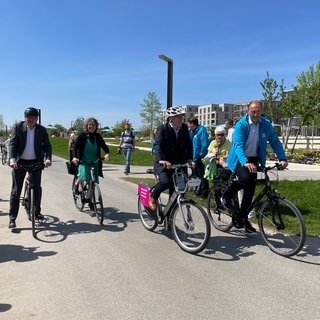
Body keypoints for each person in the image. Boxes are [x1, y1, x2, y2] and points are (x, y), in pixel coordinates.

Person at [221, 100, 288, 233]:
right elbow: (238, 145)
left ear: (261, 111)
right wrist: (245, 162)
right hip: (240, 158)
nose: (255, 114)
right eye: (253, 111)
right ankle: (226, 196)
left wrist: (282, 157)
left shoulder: (265, 124)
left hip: (253, 158)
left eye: (258, 111)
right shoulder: (242, 125)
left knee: (249, 192)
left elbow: (274, 140)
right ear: (248, 111)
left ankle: (243, 219)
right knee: (244, 179)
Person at [8, 107, 52, 228]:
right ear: (25, 118)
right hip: (20, 163)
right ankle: (12, 218)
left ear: (37, 118)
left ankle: (37, 212)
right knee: (16, 191)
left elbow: (47, 146)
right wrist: (12, 160)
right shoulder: (17, 127)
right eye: (28, 117)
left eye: (33, 117)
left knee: (37, 188)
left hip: (36, 163)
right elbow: (12, 144)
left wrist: (48, 158)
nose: (30, 119)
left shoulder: (41, 130)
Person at [149, 106, 194, 212]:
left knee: (177, 191)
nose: (180, 119)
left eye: (181, 116)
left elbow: (189, 145)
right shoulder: (163, 128)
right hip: (164, 163)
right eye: (177, 116)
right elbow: (158, 145)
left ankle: (169, 222)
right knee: (165, 182)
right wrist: (161, 160)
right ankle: (152, 197)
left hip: (179, 164)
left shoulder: (184, 128)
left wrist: (190, 159)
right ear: (171, 118)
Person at [72, 118, 110, 210]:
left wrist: (107, 154)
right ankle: (76, 186)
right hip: (83, 161)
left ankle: (90, 200)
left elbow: (104, 147)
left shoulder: (98, 136)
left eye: (93, 125)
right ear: (86, 126)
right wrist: (74, 157)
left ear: (96, 126)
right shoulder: (82, 135)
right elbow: (75, 147)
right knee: (83, 174)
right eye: (89, 124)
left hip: (95, 162)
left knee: (93, 182)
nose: (91, 126)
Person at [187, 116, 209, 199]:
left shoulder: (201, 130)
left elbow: (205, 144)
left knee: (201, 175)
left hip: (199, 156)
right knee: (195, 174)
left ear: (192, 123)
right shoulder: (191, 131)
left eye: (189, 123)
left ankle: (204, 192)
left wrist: (200, 154)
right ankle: (198, 190)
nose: (188, 125)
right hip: (193, 157)